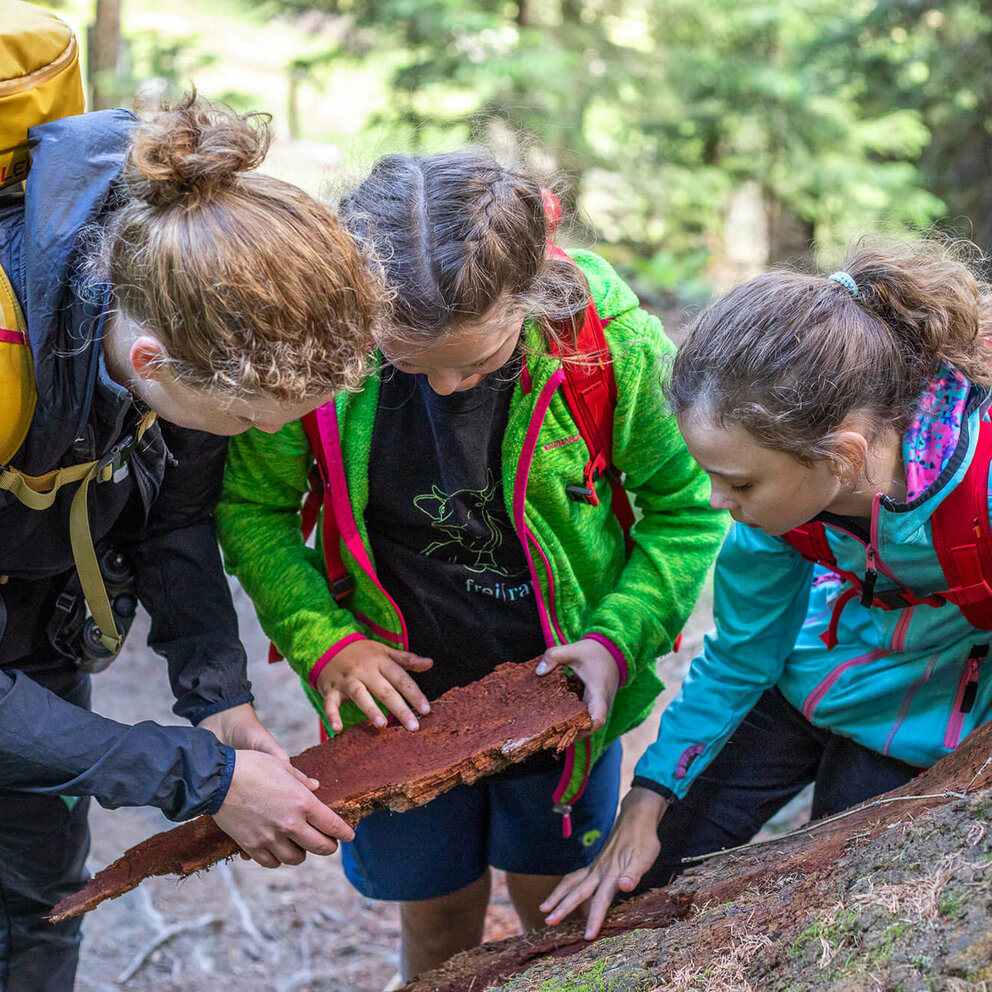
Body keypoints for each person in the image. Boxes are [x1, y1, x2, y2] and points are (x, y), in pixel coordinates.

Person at [217, 150, 727, 980]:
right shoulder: (318, 350)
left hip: (564, 700)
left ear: (531, 296)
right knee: (436, 921)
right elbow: (253, 509)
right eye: (409, 362)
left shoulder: (609, 348)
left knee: (557, 915)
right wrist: (325, 642)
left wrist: (617, 639)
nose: (449, 386)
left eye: (478, 362)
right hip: (395, 715)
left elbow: (686, 508)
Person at [0, 94, 381, 990]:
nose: (258, 434)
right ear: (149, 363)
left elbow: (175, 517)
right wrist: (202, 779)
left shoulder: (179, 314)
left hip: (39, 620)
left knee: (38, 900)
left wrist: (217, 699)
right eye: (246, 419)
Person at [541, 238, 992, 939]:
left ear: (842, 455)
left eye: (739, 482)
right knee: (649, 868)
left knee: (834, 899)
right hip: (799, 677)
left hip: (928, 718)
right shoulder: (776, 511)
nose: (715, 502)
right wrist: (648, 794)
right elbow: (741, 652)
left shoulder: (979, 495)